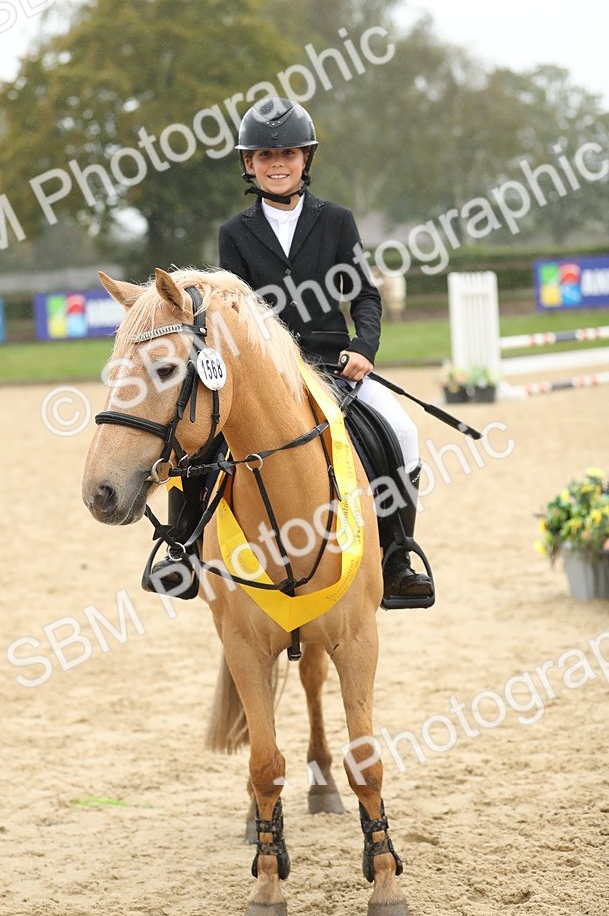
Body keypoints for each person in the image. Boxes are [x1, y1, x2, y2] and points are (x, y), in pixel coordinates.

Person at [143, 96, 434, 609]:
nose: (277, 164)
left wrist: (364, 347)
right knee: (197, 440)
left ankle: (396, 557)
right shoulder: (235, 233)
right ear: (249, 165)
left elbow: (364, 294)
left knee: (404, 433)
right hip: (264, 371)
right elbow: (231, 307)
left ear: (306, 160)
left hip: (334, 363)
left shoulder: (337, 221)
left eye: (289, 154)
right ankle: (182, 552)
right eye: (265, 156)